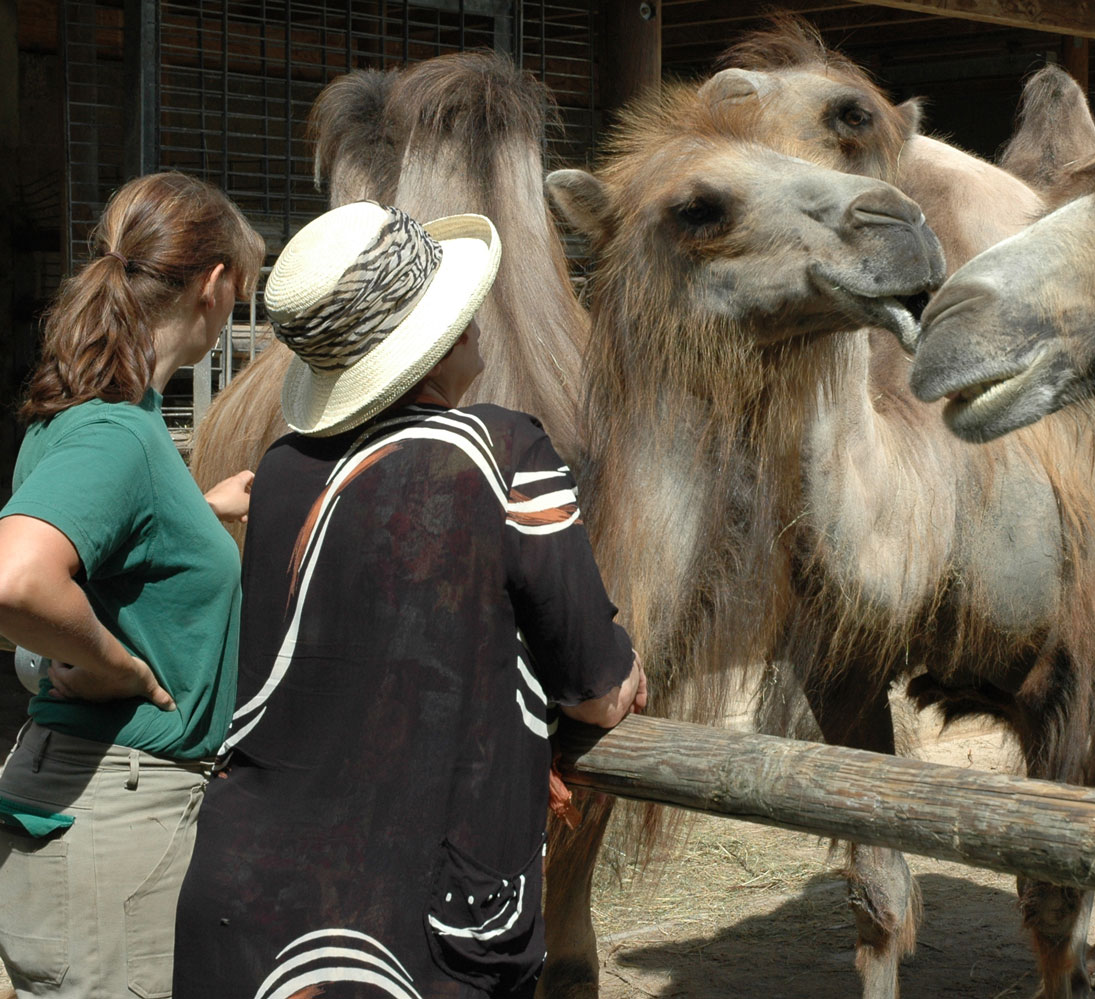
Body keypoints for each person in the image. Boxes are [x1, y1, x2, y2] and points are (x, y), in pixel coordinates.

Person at [172, 201, 646, 998]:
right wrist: (623, 675)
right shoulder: (504, 451)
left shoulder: (282, 468)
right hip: (411, 918)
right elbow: (595, 687)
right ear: (440, 339)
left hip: (244, 899)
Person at [0, 170, 265, 997]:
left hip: (81, 798)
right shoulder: (118, 433)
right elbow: (16, 580)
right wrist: (118, 666)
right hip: (117, 812)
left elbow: (113, 548)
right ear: (216, 287)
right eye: (245, 291)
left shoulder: (98, 415)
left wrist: (200, 512)